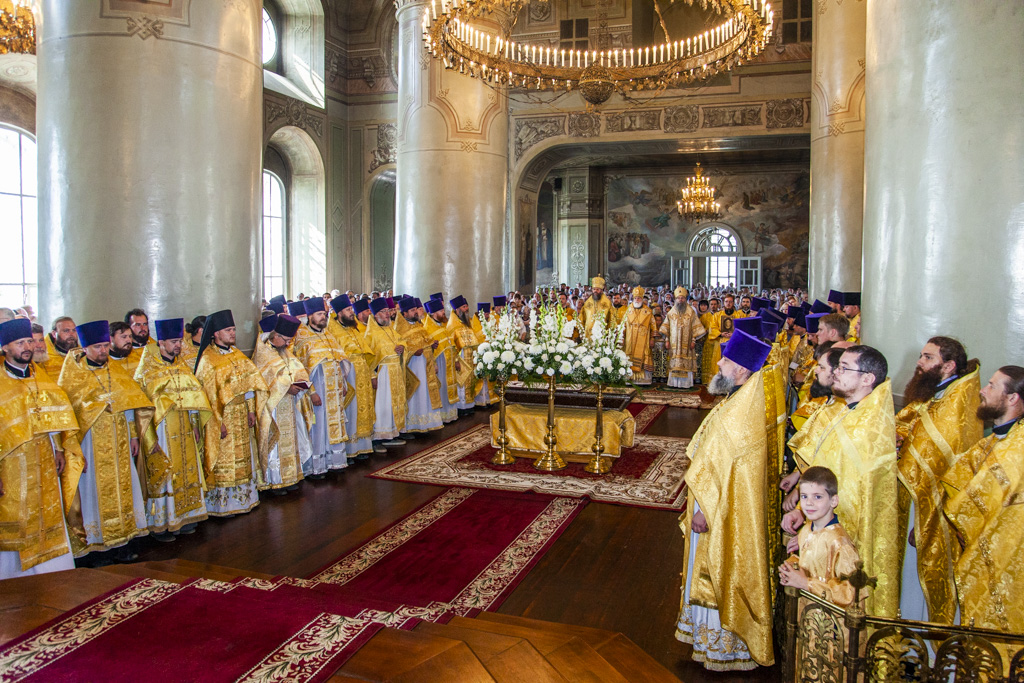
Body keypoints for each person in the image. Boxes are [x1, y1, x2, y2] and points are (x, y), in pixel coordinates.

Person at [677, 330, 774, 671]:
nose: (718, 363)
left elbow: (723, 470)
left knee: (716, 567)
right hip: (718, 503)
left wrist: (704, 510)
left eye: (726, 360)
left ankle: (723, 645)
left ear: (742, 370)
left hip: (716, 510)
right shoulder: (740, 400)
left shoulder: (739, 415)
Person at [784, 345, 900, 617]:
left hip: (843, 544)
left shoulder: (869, 428)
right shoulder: (847, 411)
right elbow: (825, 474)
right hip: (822, 530)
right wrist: (805, 517)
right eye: (837, 367)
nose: (836, 372)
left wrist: (813, 531)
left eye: (844, 368)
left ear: (867, 378)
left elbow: (852, 498)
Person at [895, 337, 982, 624]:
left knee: (924, 574)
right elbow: (912, 423)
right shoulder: (935, 394)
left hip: (932, 507)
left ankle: (926, 641)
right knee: (908, 573)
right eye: (921, 355)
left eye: (928, 357)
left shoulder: (957, 405)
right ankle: (907, 635)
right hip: (913, 498)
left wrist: (927, 521)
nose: (919, 363)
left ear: (949, 366)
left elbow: (943, 464)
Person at [58, 320, 154, 562]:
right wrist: (76, 452)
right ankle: (98, 547)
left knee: (124, 490)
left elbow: (129, 404)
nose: (103, 351)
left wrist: (133, 435)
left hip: (119, 442)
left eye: (104, 345)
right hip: (90, 446)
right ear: (85, 347)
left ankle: (124, 541)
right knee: (94, 495)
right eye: (97, 347)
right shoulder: (73, 376)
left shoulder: (115, 370)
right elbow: (68, 418)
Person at [942, 366, 1024, 637]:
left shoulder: (1018, 446)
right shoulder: (990, 442)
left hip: (1008, 554)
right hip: (978, 547)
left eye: (991, 385)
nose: (982, 390)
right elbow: (958, 481)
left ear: (1012, 398)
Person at [0, 318, 83, 579]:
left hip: (44, 459)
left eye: (29, 341)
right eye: (20, 343)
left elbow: (55, 415)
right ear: (5, 347)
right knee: (16, 515)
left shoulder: (40, 376)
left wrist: (58, 448)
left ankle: (53, 571)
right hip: (11, 464)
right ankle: (12, 577)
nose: (28, 347)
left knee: (48, 512)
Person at [133, 318, 212, 539]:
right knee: (166, 475)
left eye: (179, 341)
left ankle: (186, 515)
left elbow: (193, 398)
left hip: (184, 428)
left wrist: (195, 424)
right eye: (174, 342)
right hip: (161, 431)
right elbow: (142, 408)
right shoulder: (146, 371)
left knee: (186, 470)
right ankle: (162, 523)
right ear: (161, 343)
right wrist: (150, 439)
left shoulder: (181, 365)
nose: (179, 345)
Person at [194, 310, 268, 517]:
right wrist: (217, 423)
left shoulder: (237, 354)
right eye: (228, 330)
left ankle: (244, 499)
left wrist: (251, 409)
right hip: (222, 416)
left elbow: (249, 384)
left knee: (243, 455)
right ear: (216, 333)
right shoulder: (208, 359)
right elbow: (206, 396)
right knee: (224, 458)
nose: (233, 333)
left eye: (233, 329)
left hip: (241, 412)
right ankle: (224, 505)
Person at [778, 466, 863, 608]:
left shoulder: (840, 544)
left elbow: (850, 594)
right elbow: (812, 563)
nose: (809, 503)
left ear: (833, 501)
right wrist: (792, 568)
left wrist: (806, 583)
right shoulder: (806, 530)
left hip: (829, 620)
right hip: (807, 614)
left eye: (817, 497)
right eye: (804, 496)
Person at [252, 314, 312, 493]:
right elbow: (264, 381)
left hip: (288, 405)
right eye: (285, 340)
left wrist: (300, 382)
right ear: (275, 336)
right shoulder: (262, 353)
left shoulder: (283, 351)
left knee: (290, 440)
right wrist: (287, 387)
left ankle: (290, 476)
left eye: (289, 341)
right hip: (272, 408)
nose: (287, 344)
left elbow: (297, 368)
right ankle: (274, 480)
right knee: (276, 443)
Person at [292, 296, 349, 477]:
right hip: (317, 391)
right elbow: (301, 370)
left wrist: (343, 383)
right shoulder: (302, 338)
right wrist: (312, 392)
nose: (323, 317)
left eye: (324, 313)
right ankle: (317, 466)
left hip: (334, 390)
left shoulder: (328, 335)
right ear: (310, 316)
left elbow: (339, 361)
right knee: (319, 426)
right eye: (319, 314)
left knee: (334, 424)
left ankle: (335, 461)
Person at [327, 294, 375, 459]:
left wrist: (371, 373)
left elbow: (365, 351)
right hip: (348, 375)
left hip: (362, 372)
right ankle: (349, 449)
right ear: (339, 312)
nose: (351, 312)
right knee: (351, 410)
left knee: (363, 408)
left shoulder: (352, 328)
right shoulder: (332, 331)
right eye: (348, 310)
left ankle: (363, 446)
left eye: (351, 309)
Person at [364, 297, 407, 448]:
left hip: (395, 371)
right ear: (375, 315)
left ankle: (392, 433)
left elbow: (402, 340)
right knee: (382, 404)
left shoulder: (391, 329)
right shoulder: (371, 334)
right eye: (383, 311)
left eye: (388, 311)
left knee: (393, 403)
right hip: (382, 373)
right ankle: (379, 437)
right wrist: (372, 376)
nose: (387, 314)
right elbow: (367, 358)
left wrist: (402, 347)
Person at [397, 297, 444, 433]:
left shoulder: (420, 326)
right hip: (413, 368)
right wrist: (412, 352)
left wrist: (432, 346)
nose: (416, 312)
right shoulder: (399, 329)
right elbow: (400, 349)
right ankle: (413, 425)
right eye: (412, 310)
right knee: (416, 394)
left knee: (426, 392)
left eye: (415, 309)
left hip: (426, 366)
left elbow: (427, 342)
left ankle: (427, 422)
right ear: (405, 313)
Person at [660, 286, 706, 389]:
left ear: (685, 299)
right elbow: (666, 327)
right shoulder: (671, 312)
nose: (680, 300)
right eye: (678, 298)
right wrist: (667, 340)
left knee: (686, 363)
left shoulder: (691, 312)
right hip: (674, 344)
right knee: (674, 363)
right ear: (675, 299)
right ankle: (673, 383)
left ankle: (686, 384)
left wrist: (693, 340)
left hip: (687, 343)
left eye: (682, 298)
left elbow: (695, 328)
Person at [423, 297, 459, 424]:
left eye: (443, 309)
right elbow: (427, 349)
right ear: (433, 313)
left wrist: (456, 360)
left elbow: (451, 345)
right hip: (439, 363)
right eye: (440, 310)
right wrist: (433, 363)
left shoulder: (443, 326)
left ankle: (450, 414)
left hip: (449, 362)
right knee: (442, 388)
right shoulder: (427, 328)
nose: (443, 312)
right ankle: (441, 415)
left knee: (448, 386)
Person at [702, 294, 747, 384]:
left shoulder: (740, 315)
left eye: (730, 302)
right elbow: (712, 328)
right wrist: (720, 334)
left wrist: (734, 334)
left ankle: (733, 383)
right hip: (720, 343)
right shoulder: (717, 315)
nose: (728, 303)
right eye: (726, 302)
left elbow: (743, 329)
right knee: (718, 363)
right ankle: (718, 384)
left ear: (733, 303)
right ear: (723, 303)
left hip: (734, 343)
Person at [447, 295, 480, 414]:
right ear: (457, 310)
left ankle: (469, 405)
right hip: (461, 358)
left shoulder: (467, 323)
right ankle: (461, 407)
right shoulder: (452, 326)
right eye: (464, 307)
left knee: (470, 381)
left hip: (470, 356)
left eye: (467, 306)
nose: (466, 309)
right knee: (461, 383)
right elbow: (451, 345)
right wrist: (455, 360)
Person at [621, 287, 657, 385]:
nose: (637, 299)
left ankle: (643, 380)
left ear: (642, 299)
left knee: (644, 355)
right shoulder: (628, 311)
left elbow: (653, 326)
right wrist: (622, 337)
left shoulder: (648, 311)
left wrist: (652, 338)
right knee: (629, 356)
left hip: (644, 339)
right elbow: (623, 326)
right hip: (630, 339)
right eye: (635, 298)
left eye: (639, 298)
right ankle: (630, 378)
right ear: (633, 298)